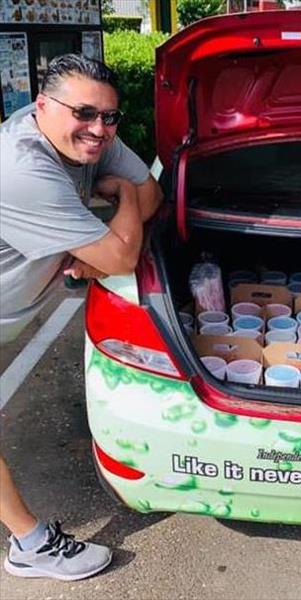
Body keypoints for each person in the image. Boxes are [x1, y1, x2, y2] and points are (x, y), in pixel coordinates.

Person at [0, 54, 162, 580]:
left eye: (110, 117)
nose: (99, 130)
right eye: (85, 113)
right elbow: (121, 256)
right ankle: (31, 546)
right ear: (42, 106)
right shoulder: (22, 169)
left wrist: (122, 206)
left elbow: (154, 193)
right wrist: (122, 203)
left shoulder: (88, 138)